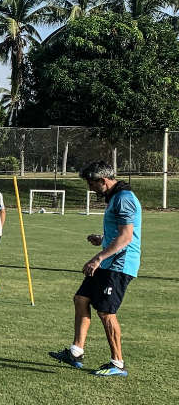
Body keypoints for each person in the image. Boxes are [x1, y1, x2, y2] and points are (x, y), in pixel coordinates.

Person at [49, 161, 141, 377]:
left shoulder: (124, 199)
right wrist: (102, 239)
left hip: (119, 265)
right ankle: (76, 352)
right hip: (109, 262)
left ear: (103, 180)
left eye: (92, 184)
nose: (90, 189)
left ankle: (117, 363)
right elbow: (118, 233)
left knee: (106, 312)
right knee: (81, 298)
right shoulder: (114, 198)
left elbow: (127, 237)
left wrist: (98, 258)